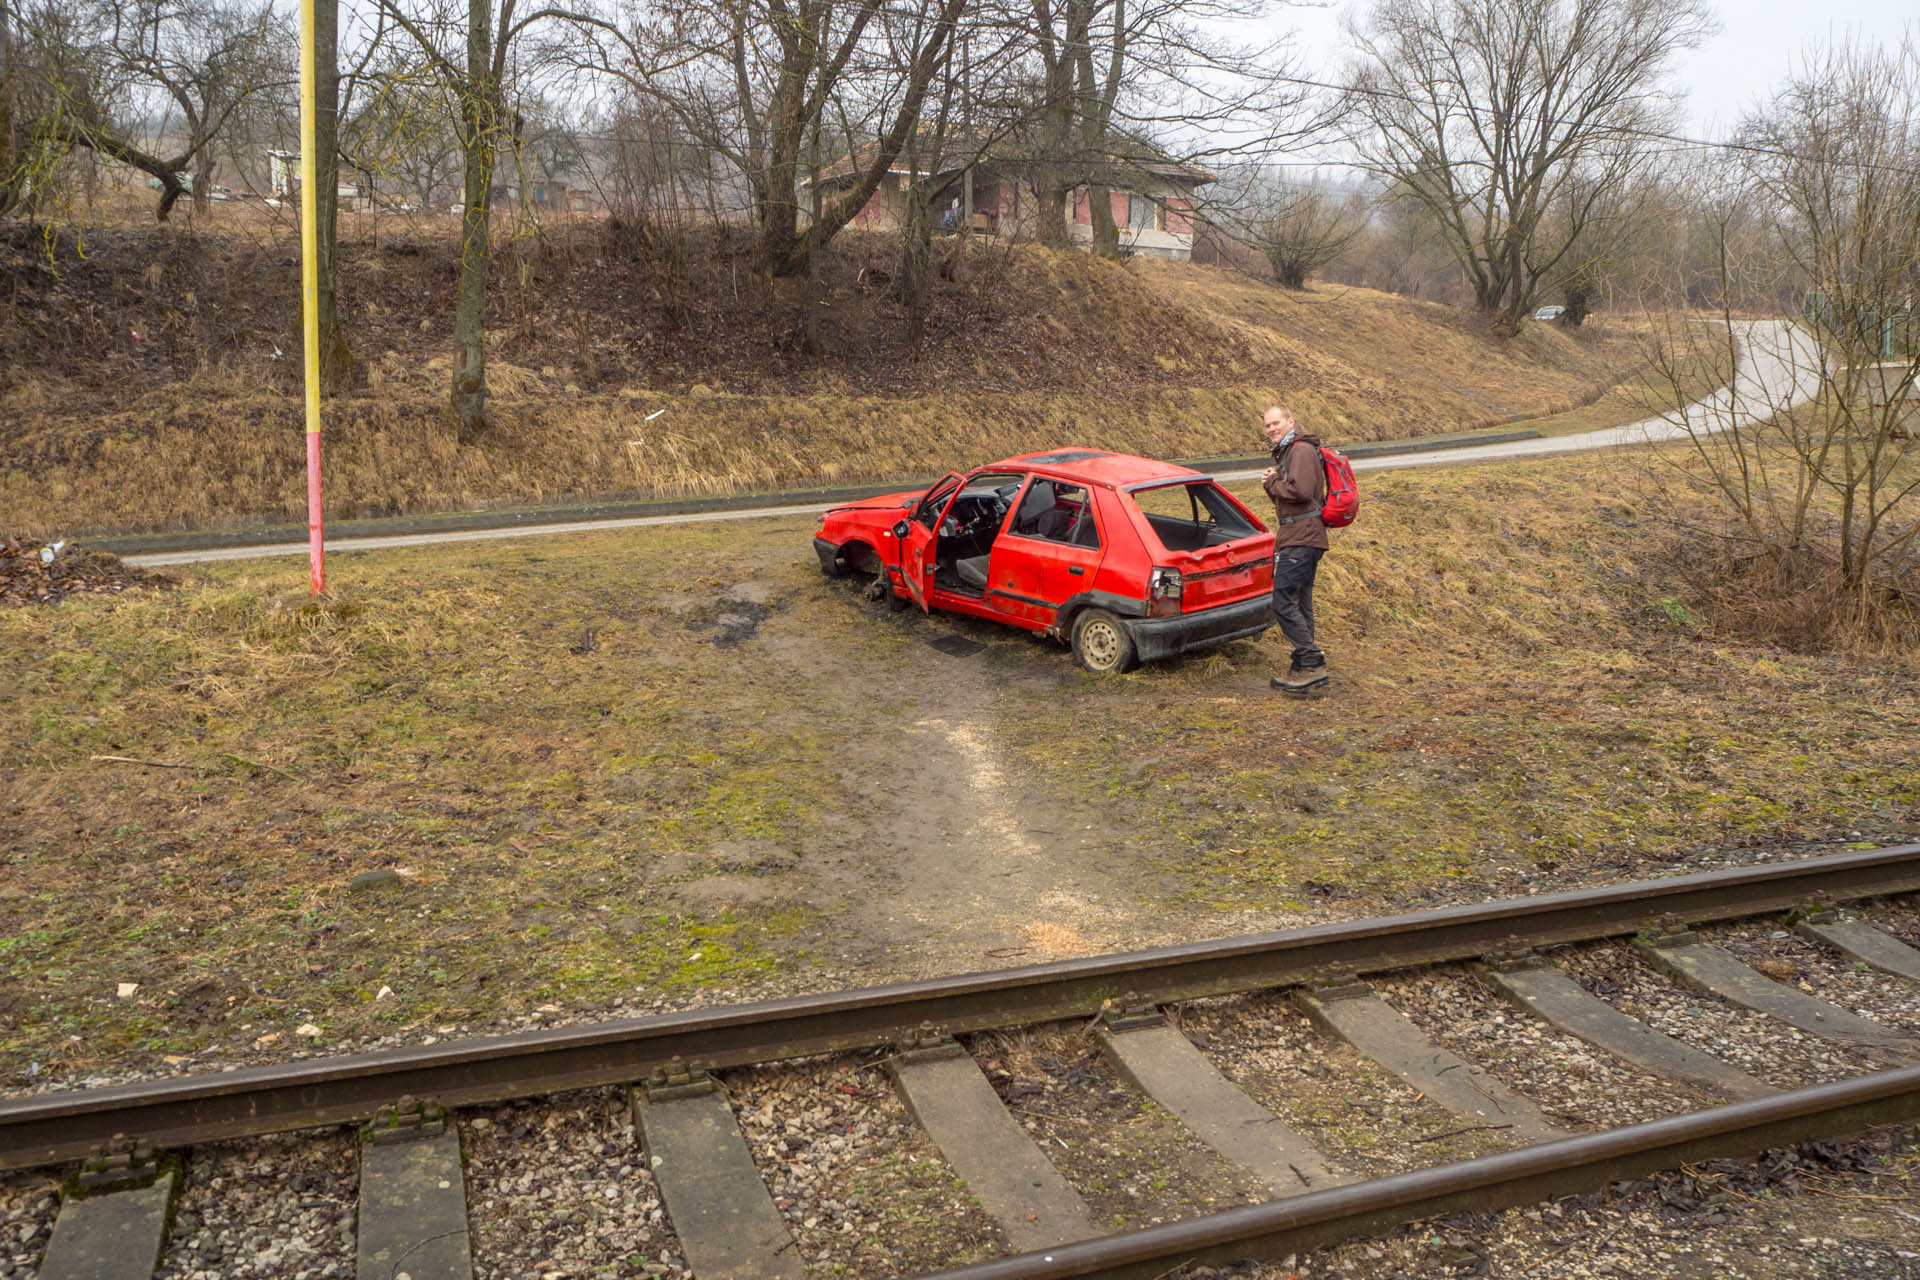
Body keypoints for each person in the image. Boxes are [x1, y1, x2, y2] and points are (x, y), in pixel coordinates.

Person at [1260, 404, 1330, 694]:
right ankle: (1305, 665)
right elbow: (1290, 497)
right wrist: (1272, 483)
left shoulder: (1299, 450)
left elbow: (1299, 492)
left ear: (1291, 422)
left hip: (1301, 537)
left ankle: (1311, 663)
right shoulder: (1293, 450)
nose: (1272, 429)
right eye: (1267, 425)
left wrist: (1273, 480)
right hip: (1304, 535)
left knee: (1282, 601)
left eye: (1276, 422)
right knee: (1300, 601)